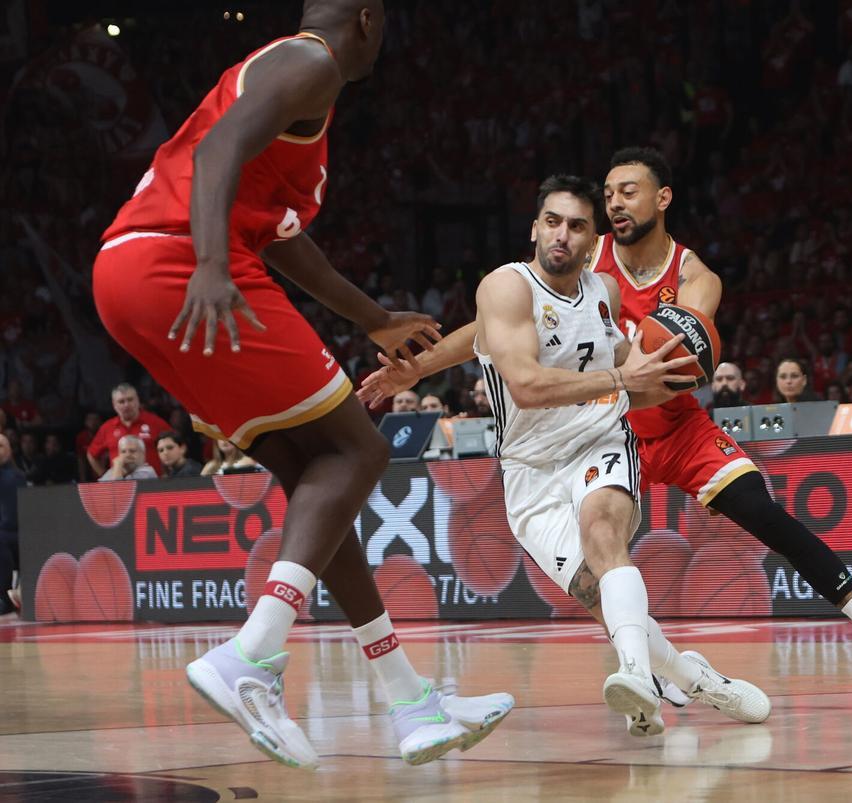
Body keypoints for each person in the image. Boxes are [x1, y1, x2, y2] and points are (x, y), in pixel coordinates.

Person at [89, 0, 509, 768]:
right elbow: (217, 152)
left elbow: (284, 241)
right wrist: (212, 265)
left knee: (321, 479)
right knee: (359, 451)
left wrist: (374, 317)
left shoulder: (295, 87)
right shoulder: (309, 60)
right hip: (180, 262)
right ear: (371, 20)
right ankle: (253, 653)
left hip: (130, 272)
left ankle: (409, 699)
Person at [360, 150, 852, 695]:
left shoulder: (697, 279)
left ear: (662, 199)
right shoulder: (587, 255)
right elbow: (498, 322)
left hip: (677, 428)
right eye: (608, 193)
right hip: (604, 426)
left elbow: (680, 359)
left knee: (763, 511)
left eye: (628, 192)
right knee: (599, 565)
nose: (614, 203)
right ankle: (663, 669)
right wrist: (419, 368)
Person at [470, 174, 769, 735]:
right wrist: (620, 377)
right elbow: (527, 387)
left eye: (578, 226)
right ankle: (696, 677)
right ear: (535, 228)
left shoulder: (603, 292)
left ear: (592, 241)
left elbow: (640, 377)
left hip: (599, 437)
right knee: (599, 597)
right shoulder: (506, 288)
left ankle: (636, 673)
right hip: (528, 470)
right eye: (553, 222)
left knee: (603, 532)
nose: (564, 234)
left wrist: (681, 376)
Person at [86, 384, 170, 477]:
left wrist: (166, 475)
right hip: (120, 487)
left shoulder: (156, 422)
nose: (126, 405)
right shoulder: (107, 427)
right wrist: (104, 475)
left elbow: (173, 447)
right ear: (114, 405)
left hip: (153, 484)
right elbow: (91, 454)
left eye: (130, 400)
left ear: (138, 400)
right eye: (121, 401)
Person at [0, 434, 21, 618]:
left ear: (9, 450)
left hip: (22, 533)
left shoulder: (19, 477)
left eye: (1, 446)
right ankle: (4, 599)